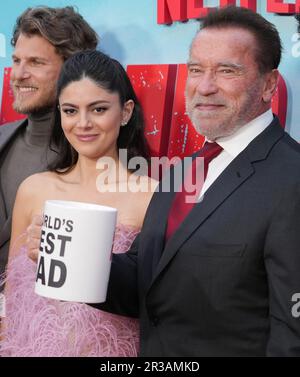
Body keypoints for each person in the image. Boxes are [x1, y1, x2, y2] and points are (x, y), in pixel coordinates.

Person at [27, 6, 300, 356]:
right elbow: (147, 280)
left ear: (268, 85)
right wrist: (72, 259)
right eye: (196, 70)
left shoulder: (291, 179)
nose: (205, 86)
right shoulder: (182, 170)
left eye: (226, 71)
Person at [0, 50, 156, 356]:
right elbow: (12, 297)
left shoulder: (151, 197)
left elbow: (158, 299)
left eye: (98, 109)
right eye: (70, 111)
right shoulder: (34, 189)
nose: (82, 124)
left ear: (125, 112)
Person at [0, 6, 98, 283]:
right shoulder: (3, 137)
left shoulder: (97, 159)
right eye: (16, 60)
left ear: (72, 70)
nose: (18, 74)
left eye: (35, 63)